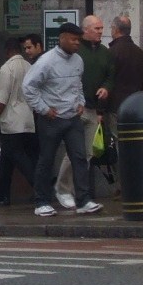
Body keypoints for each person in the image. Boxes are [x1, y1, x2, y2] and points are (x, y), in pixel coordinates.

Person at [24, 22, 102, 216]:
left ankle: (83, 200)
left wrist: (81, 102)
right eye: (74, 40)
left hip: (73, 116)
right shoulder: (46, 61)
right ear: (62, 39)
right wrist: (43, 109)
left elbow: (78, 84)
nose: (77, 43)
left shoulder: (78, 60)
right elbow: (28, 87)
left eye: (79, 40)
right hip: (51, 118)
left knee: (80, 157)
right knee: (47, 159)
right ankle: (41, 201)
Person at [55, 14, 113, 209]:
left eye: (101, 28)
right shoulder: (77, 52)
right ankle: (63, 188)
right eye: (97, 29)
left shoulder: (105, 52)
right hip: (75, 109)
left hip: (94, 109)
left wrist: (106, 88)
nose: (100, 32)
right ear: (86, 30)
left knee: (87, 154)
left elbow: (111, 75)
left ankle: (80, 193)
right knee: (73, 152)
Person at [0, 34, 39, 206]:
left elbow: (1, 99)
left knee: (18, 157)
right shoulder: (29, 66)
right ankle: (2, 195)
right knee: (7, 160)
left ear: (8, 51)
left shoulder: (7, 69)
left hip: (11, 121)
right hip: (28, 119)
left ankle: (40, 186)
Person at [108, 15, 143, 112]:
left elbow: (107, 81)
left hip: (115, 107)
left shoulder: (111, 53)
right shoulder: (140, 53)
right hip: (136, 106)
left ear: (115, 29)